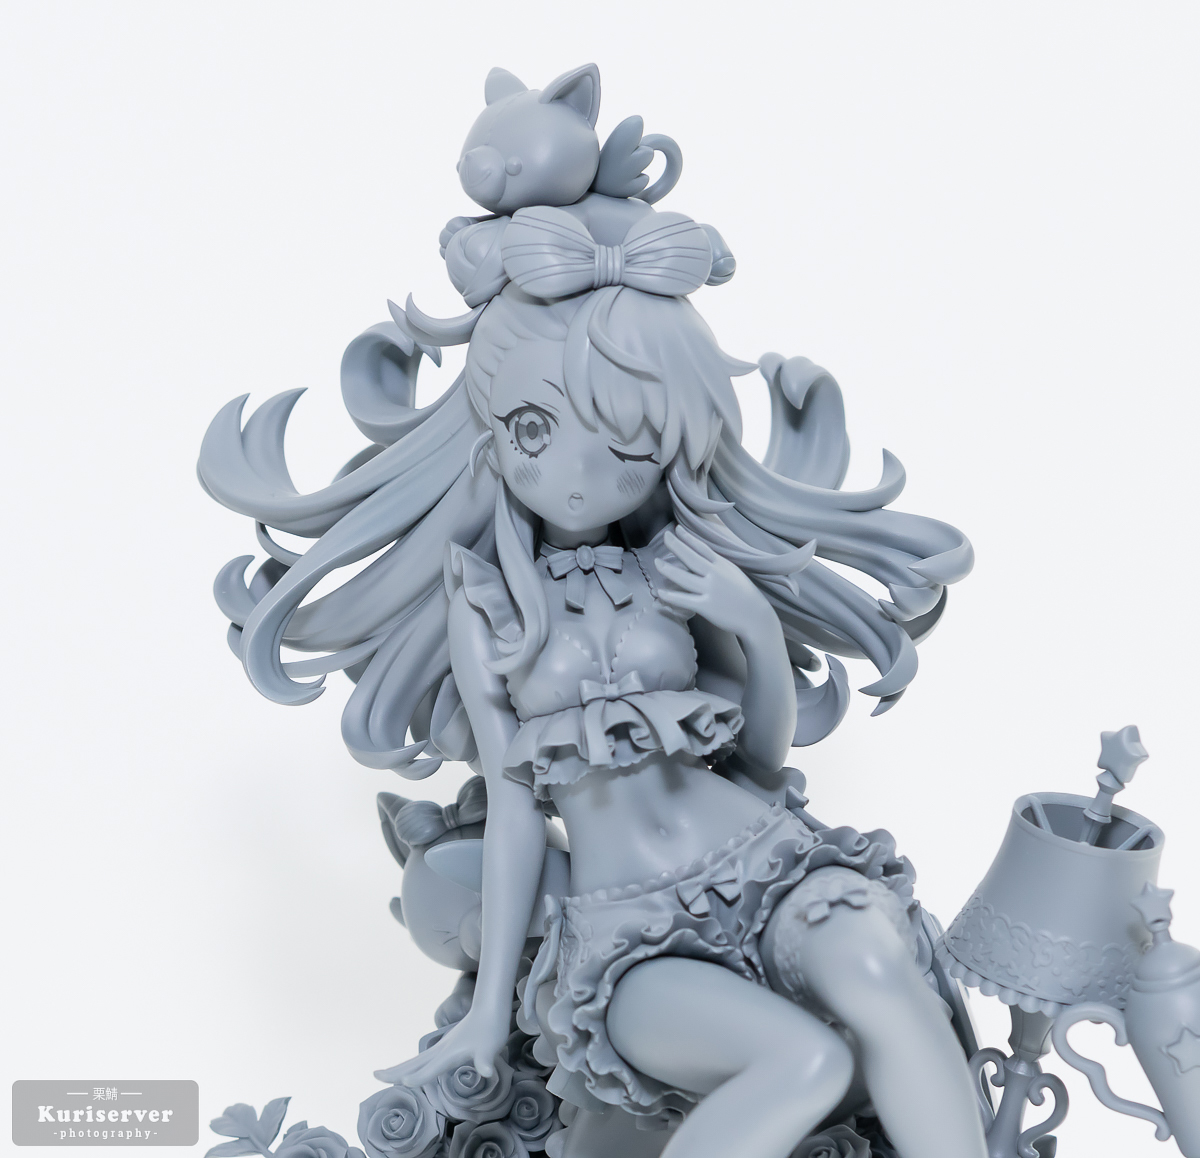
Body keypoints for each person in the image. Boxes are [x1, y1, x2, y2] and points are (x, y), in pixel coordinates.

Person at [199, 204, 983, 1158]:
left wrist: (750, 623)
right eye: (536, 429)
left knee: (880, 974)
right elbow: (516, 812)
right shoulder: (487, 599)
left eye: (626, 440)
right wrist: (488, 1011)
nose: (578, 475)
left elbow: (760, 757)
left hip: (772, 863)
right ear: (490, 432)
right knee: (802, 1062)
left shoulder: (679, 567)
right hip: (628, 934)